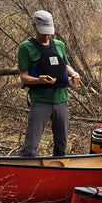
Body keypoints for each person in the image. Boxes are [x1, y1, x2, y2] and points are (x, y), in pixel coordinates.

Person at [18, 10, 80, 157]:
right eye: (43, 33)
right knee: (30, 146)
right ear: (34, 26)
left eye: (49, 33)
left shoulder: (59, 45)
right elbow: (23, 77)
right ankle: (25, 171)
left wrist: (74, 74)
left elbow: (64, 65)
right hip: (40, 101)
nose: (46, 37)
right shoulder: (25, 48)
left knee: (61, 146)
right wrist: (38, 80)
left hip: (61, 100)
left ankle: (59, 172)